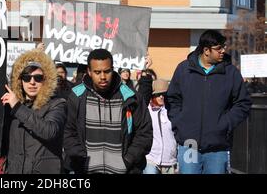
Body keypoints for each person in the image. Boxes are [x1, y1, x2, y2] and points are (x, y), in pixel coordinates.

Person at [167, 29, 251, 174]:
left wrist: (226, 124)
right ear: (206, 50)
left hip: (218, 146)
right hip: (189, 143)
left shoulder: (230, 72)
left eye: (223, 47)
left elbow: (243, 103)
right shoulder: (184, 69)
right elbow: (172, 99)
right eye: (219, 48)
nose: (223, 51)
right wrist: (180, 123)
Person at [64, 48, 152, 174]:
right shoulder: (76, 96)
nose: (103, 76)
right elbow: (67, 132)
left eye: (107, 71)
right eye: (97, 72)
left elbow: (144, 133)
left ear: (113, 69)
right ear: (89, 71)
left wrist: (127, 160)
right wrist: (81, 160)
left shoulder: (131, 97)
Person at [0, 49, 66, 174]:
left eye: (38, 78)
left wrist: (17, 107)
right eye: (27, 77)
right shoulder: (11, 106)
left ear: (45, 80)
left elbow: (49, 131)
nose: (32, 82)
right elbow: (5, 143)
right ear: (20, 81)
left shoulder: (58, 104)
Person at [143, 79, 177, 174]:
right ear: (153, 95)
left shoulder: (173, 111)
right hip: (151, 159)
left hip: (170, 160)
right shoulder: (147, 112)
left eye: (164, 94)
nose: (161, 97)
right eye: (158, 94)